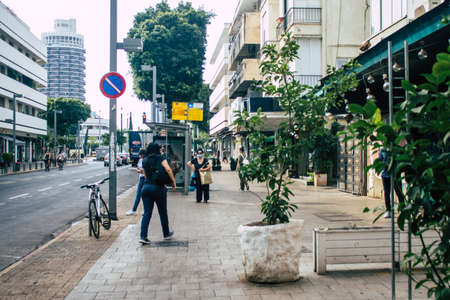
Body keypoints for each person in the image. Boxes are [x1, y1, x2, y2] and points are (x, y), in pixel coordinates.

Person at [139, 143, 176, 245]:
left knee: (147, 213)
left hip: (145, 188)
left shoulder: (145, 159)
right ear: (157, 149)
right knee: (162, 212)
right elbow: (168, 169)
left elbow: (144, 173)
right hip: (158, 188)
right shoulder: (160, 158)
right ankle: (166, 233)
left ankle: (143, 236)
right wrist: (173, 181)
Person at [379, 148, 404, 218]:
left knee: (399, 192)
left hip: (395, 174)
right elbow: (380, 160)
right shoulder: (382, 149)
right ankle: (388, 210)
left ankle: (403, 210)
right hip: (385, 174)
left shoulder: (395, 148)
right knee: (387, 193)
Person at [126, 149, 146, 216]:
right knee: (139, 194)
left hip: (145, 178)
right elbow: (138, 168)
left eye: (141, 154)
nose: (140, 156)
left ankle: (142, 210)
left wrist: (140, 171)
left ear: (143, 154)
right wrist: (139, 170)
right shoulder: (140, 160)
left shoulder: (146, 160)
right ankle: (135, 210)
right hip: (141, 178)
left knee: (143, 195)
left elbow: (144, 171)